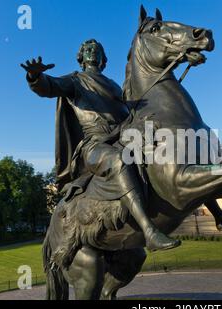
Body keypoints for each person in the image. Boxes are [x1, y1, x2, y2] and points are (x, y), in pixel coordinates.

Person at [21, 39, 181, 252]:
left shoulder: (114, 85)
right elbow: (48, 87)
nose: (92, 52)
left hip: (123, 138)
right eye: (87, 49)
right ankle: (149, 231)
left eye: (96, 50)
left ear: (103, 58)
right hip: (94, 146)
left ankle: (216, 212)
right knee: (117, 160)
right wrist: (35, 77)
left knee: (169, 150)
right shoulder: (75, 81)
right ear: (81, 57)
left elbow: (130, 112)